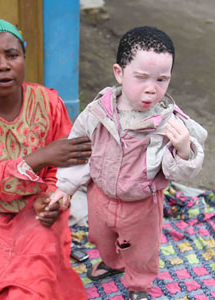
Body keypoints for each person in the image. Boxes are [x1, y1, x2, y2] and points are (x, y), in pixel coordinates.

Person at [49, 26, 207, 300]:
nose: (151, 89)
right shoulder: (98, 112)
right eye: (142, 77)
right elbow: (80, 148)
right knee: (100, 237)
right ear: (119, 73)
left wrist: (183, 149)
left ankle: (139, 284)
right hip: (100, 197)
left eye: (161, 79)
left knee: (142, 250)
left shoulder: (168, 122)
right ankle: (112, 263)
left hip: (142, 206)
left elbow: (177, 171)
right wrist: (65, 186)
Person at [0, 19, 91, 300]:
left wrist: (52, 200)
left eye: (12, 55)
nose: (3, 65)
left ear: (23, 57)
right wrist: (41, 156)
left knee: (36, 269)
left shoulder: (48, 102)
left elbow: (64, 168)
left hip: (37, 207)